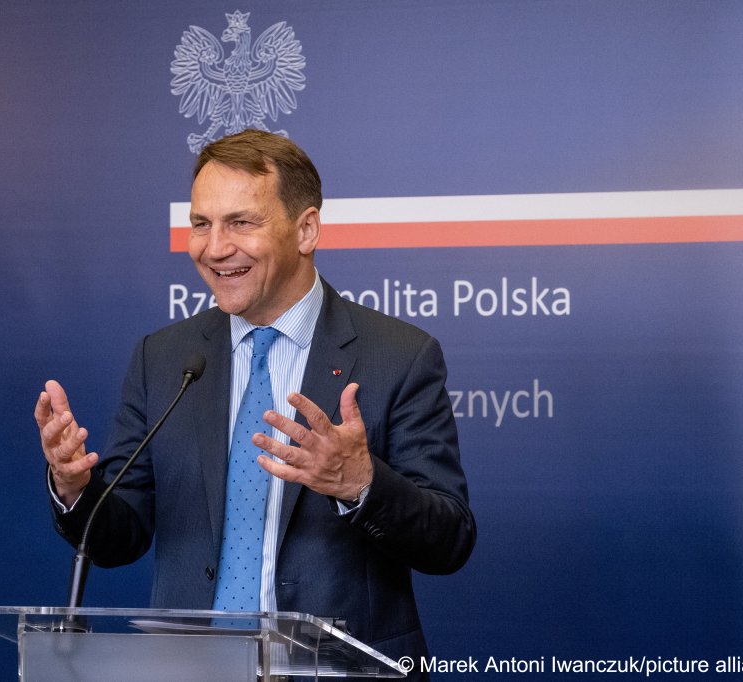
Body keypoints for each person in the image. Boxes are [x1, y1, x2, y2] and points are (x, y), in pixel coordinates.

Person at [35, 129, 475, 676]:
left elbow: (449, 541)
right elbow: (117, 538)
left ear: (306, 229)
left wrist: (360, 483)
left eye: (241, 222)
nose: (214, 247)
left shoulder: (399, 356)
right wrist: (75, 488)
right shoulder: (163, 358)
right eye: (201, 223)